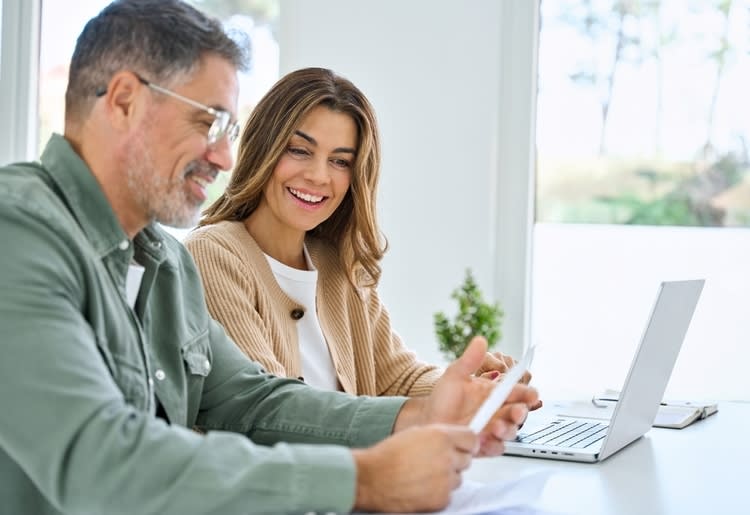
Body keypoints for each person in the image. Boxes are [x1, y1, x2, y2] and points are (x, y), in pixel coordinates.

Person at [0, 1, 539, 514]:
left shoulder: (165, 263)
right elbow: (99, 458)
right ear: (123, 101)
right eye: (207, 122)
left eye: (229, 130)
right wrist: (364, 478)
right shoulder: (18, 233)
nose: (225, 156)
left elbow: (254, 402)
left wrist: (423, 412)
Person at [185, 67, 536, 397]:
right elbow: (270, 408)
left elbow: (399, 379)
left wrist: (472, 389)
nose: (319, 176)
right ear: (263, 148)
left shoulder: (337, 264)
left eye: (340, 161)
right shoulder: (213, 255)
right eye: (299, 150)